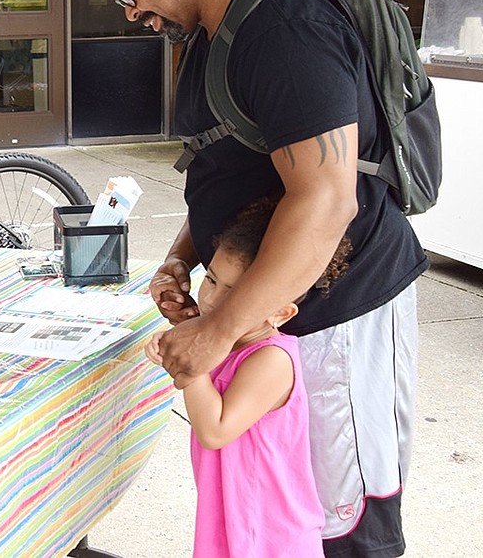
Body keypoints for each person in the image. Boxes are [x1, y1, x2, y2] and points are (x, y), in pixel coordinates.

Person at [99, 0, 425, 557]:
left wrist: (216, 330)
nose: (133, 11)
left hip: (345, 311)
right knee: (280, 510)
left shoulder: (285, 31)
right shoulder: (214, 36)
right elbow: (233, 171)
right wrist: (180, 258)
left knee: (348, 524)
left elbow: (326, 200)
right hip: (275, 314)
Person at [146, 197, 352, 557]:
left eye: (236, 292)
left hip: (269, 533)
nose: (211, 300)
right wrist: (186, 338)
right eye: (210, 279)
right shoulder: (226, 344)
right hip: (228, 515)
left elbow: (215, 430)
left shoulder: (271, 359)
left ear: (281, 312)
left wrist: (190, 361)